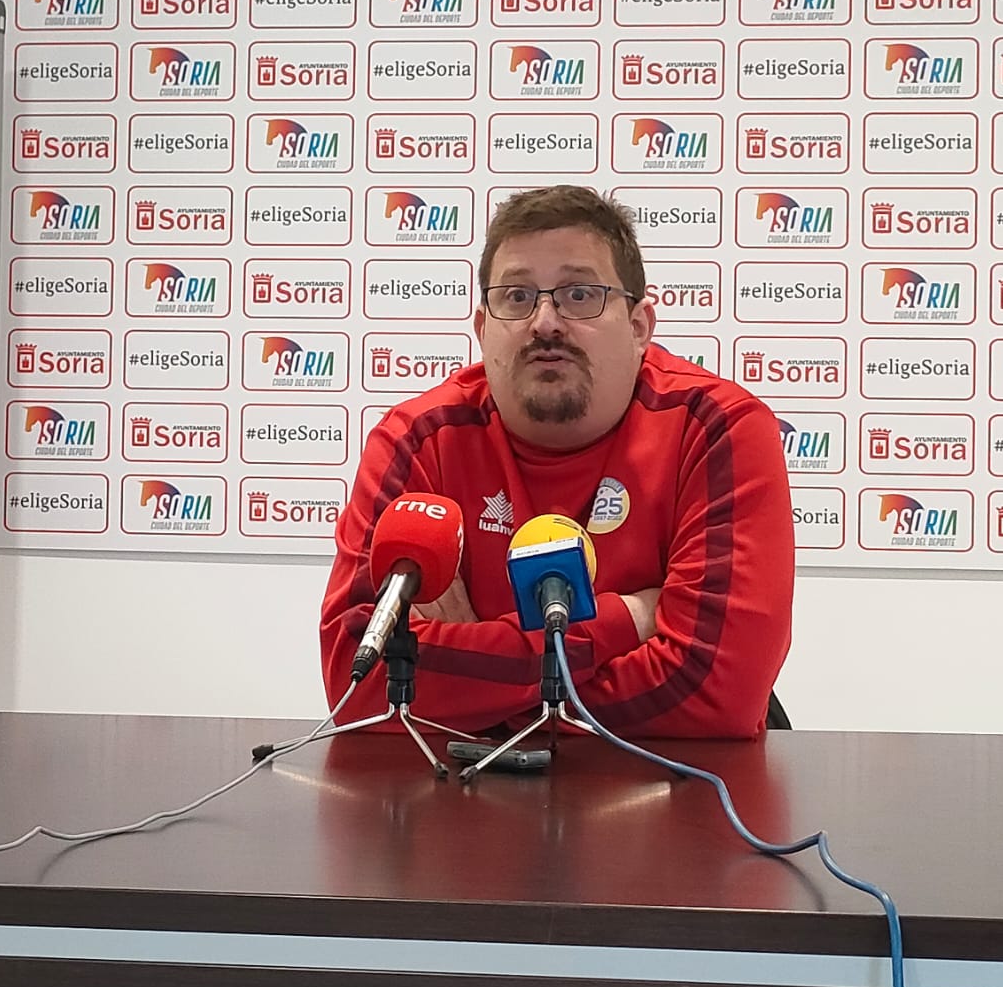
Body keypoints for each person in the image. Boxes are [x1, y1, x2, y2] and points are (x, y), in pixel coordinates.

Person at [318, 185, 793, 738]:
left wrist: (472, 671)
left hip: (668, 797)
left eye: (579, 294)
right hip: (465, 798)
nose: (545, 322)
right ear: (481, 327)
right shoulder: (418, 441)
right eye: (516, 297)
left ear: (640, 326)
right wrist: (630, 620)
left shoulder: (716, 430)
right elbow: (360, 681)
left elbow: (716, 694)